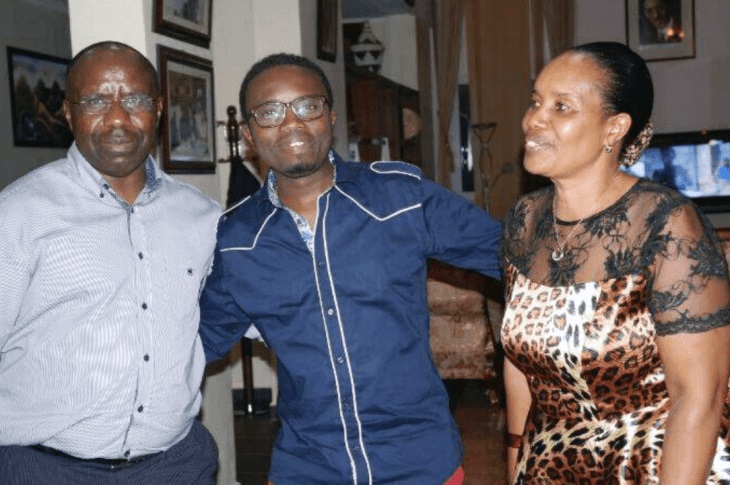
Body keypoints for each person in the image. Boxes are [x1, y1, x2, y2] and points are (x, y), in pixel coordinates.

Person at [198, 52, 502, 484]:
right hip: (309, 468)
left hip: (419, 464)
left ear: (331, 116)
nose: (292, 123)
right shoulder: (237, 238)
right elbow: (197, 343)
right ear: (249, 133)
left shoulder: (400, 196)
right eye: (269, 112)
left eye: (307, 105)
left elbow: (510, 255)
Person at [501, 41, 730, 484]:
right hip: (551, 464)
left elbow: (699, 396)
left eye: (561, 107)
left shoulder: (666, 225)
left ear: (614, 128)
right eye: (535, 102)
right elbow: (519, 363)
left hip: (654, 465)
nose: (533, 119)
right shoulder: (523, 221)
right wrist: (516, 463)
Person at [0, 41, 221, 484]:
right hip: (45, 469)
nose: (118, 118)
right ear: (68, 112)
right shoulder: (20, 213)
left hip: (175, 466)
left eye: (135, 100)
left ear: (159, 109)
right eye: (96, 101)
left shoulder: (203, 217)